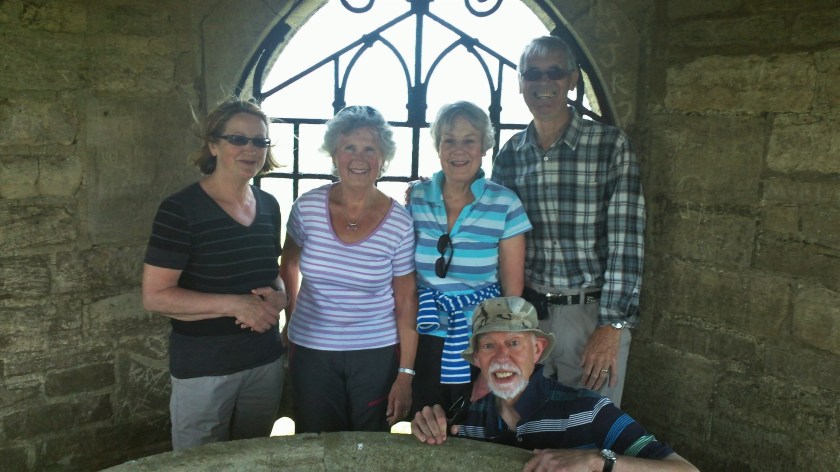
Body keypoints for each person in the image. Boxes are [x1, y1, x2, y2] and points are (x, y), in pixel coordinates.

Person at [491, 36, 646, 407]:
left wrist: (612, 325)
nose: (544, 83)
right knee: (528, 426)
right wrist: (431, 192)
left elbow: (627, 242)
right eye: (533, 74)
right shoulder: (510, 155)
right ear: (520, 82)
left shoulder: (610, 146)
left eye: (555, 72)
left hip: (591, 316)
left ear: (573, 79)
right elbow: (491, 232)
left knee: (591, 427)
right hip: (529, 317)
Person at [142, 97, 288, 450]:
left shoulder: (268, 206)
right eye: (238, 139)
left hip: (264, 363)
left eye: (260, 141)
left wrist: (281, 296)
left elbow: (271, 273)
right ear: (212, 145)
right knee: (199, 464)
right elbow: (156, 297)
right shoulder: (180, 210)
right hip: (204, 370)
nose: (250, 149)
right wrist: (235, 305)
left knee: (254, 459)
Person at [411, 297, 699, 472]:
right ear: (477, 359)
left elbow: (684, 469)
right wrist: (428, 428)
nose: (502, 357)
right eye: (489, 346)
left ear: (537, 350)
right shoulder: (467, 421)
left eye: (514, 343)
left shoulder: (588, 410)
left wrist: (598, 462)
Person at [279, 105, 418, 433]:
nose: (359, 158)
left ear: (383, 158)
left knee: (368, 443)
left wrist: (405, 374)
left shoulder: (399, 222)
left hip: (375, 353)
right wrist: (292, 318)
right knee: (315, 441)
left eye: (370, 149)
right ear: (334, 154)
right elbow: (289, 263)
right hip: (311, 349)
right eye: (349, 147)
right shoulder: (307, 207)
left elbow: (406, 300)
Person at [406, 101, 532, 416]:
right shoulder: (417, 198)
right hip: (425, 334)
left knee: (472, 429)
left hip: (481, 340)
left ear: (484, 147)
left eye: (469, 140)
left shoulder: (505, 203)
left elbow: (512, 295)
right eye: (448, 140)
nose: (458, 150)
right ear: (437, 146)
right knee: (427, 426)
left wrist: (499, 360)